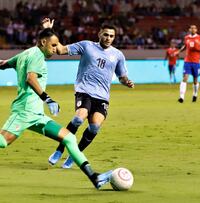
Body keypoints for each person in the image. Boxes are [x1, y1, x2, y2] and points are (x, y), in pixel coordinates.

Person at [0, 28, 113, 190]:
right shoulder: (37, 57)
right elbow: (30, 78)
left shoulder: (26, 53)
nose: (55, 49)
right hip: (25, 111)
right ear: (43, 43)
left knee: (70, 138)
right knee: (2, 141)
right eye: (53, 45)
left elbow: (4, 64)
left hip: (36, 115)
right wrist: (48, 98)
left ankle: (94, 177)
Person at [44, 19, 134, 169]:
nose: (108, 38)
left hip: (102, 97)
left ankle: (74, 155)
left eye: (111, 36)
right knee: (79, 119)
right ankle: (59, 150)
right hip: (84, 91)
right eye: (106, 34)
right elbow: (60, 50)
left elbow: (122, 76)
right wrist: (49, 31)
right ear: (99, 34)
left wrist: (127, 82)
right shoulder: (86, 46)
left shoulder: (118, 55)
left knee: (94, 128)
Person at [176, 25, 200, 103]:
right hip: (187, 61)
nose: (193, 29)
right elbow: (185, 46)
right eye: (191, 28)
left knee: (195, 80)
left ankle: (195, 94)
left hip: (196, 62)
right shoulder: (187, 38)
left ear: (196, 30)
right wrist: (179, 51)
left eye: (194, 28)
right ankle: (181, 97)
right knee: (185, 78)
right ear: (189, 29)